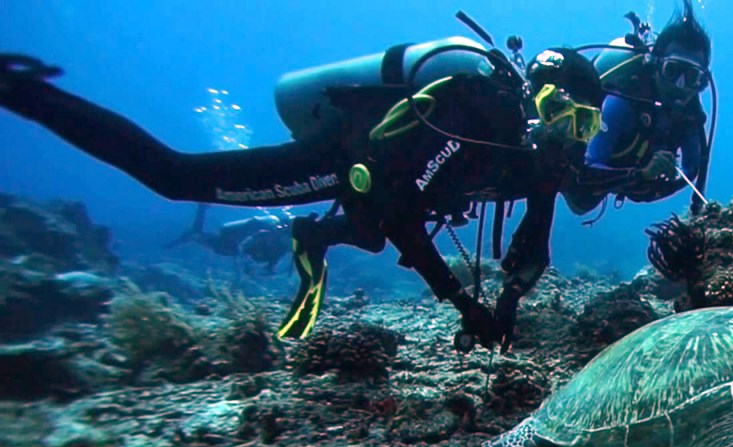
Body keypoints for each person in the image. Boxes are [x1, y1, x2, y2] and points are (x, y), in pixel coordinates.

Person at [0, 26, 604, 350]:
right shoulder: (473, 115)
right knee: (173, 176)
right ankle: (26, 93)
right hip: (349, 162)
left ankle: (312, 237)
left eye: (585, 125)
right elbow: (399, 213)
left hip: (399, 195)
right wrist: (463, 303)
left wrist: (504, 306)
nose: (568, 134)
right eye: (561, 112)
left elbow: (535, 238)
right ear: (533, 95)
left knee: (365, 234)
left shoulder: (535, 160)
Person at [564, 1, 715, 219]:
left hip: (626, 175)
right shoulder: (622, 102)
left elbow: (692, 171)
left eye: (692, 77)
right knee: (581, 202)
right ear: (655, 64)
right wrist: (642, 175)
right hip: (585, 169)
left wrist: (662, 179)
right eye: (672, 71)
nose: (680, 86)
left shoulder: (690, 118)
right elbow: (588, 169)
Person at [169, 203, 292, 274]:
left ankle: (201, 211)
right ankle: (201, 209)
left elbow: (272, 264)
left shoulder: (284, 246)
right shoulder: (267, 233)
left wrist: (268, 270)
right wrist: (246, 263)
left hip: (235, 247)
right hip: (231, 241)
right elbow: (244, 246)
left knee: (201, 238)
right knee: (198, 237)